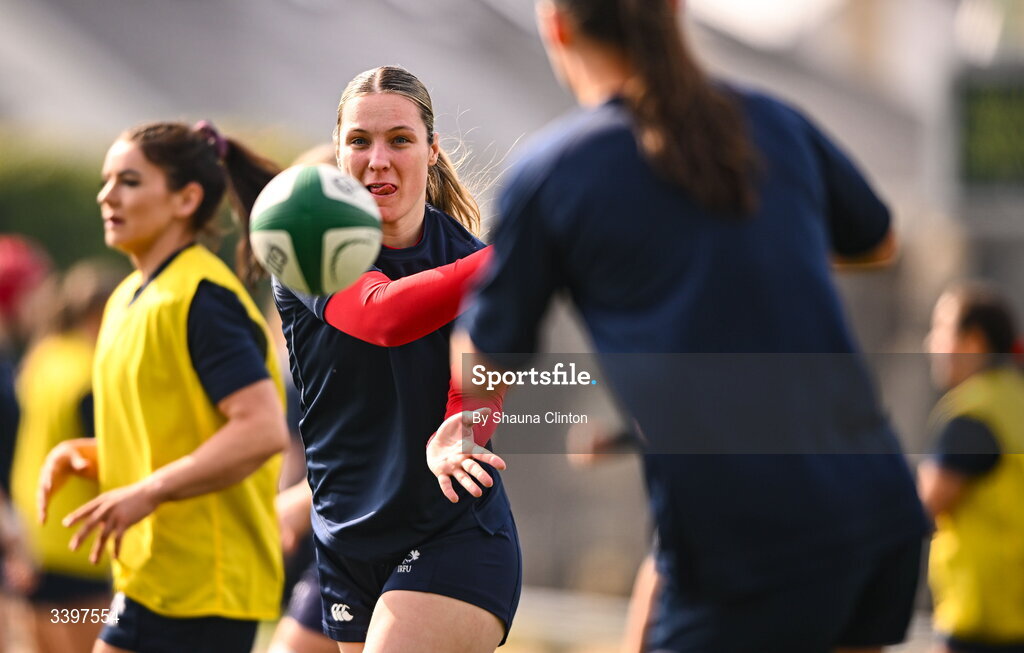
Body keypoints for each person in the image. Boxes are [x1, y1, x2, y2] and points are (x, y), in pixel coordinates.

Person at [428, 2, 929, 652]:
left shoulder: (556, 170)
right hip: (878, 517)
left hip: (754, 549)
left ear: (556, 24)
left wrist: (458, 427)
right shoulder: (772, 120)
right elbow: (878, 239)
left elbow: (487, 357)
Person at [271, 65, 520, 653]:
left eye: (399, 140)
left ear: (432, 151)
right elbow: (383, 316)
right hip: (348, 540)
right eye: (359, 140)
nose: (377, 158)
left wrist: (468, 428)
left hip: (451, 531)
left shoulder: (470, 262)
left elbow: (481, 376)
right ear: (338, 152)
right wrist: (516, 255)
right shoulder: (309, 243)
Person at [37, 120, 289, 653]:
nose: (107, 195)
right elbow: (183, 437)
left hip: (206, 587)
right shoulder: (128, 296)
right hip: (152, 579)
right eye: (107, 180)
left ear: (186, 199)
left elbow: (262, 430)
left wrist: (145, 491)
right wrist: (102, 455)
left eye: (129, 181)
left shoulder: (203, 299)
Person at [8, 260, 122, 653]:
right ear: (97, 314)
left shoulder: (42, 358)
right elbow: (108, 460)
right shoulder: (89, 375)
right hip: (81, 549)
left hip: (36, 538)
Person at [919, 282, 1024, 653]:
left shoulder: (973, 415)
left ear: (974, 341)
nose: (930, 344)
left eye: (941, 330)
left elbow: (920, 510)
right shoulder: (1015, 399)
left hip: (980, 624)